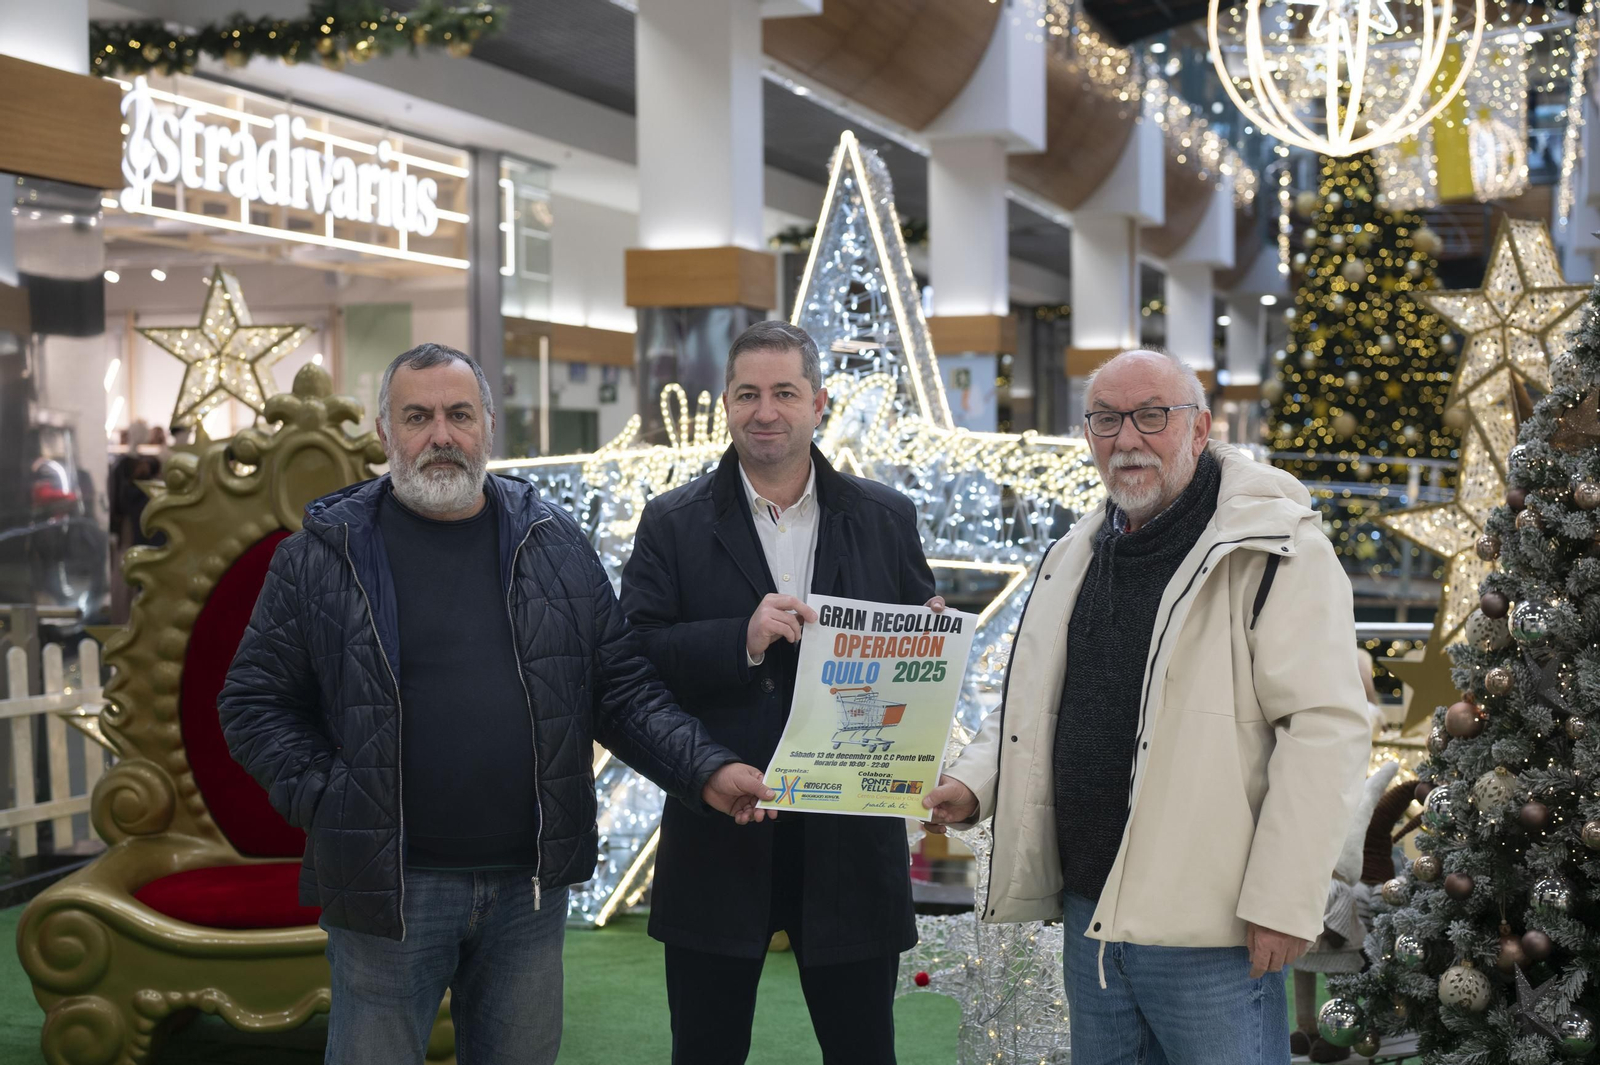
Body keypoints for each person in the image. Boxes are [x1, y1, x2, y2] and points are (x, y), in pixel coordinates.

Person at [218, 342, 774, 1065]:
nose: (440, 435)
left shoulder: (553, 544)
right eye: (417, 417)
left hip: (527, 890)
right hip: (390, 885)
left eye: (459, 414)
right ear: (384, 433)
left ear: (487, 426)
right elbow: (253, 703)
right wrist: (334, 799)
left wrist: (706, 770)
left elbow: (622, 689)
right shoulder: (323, 554)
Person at [922, 348, 1370, 1065]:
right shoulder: (1077, 552)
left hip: (1215, 930)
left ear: (1200, 428)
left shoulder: (1273, 549)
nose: (1127, 438)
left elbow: (1325, 730)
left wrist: (1284, 901)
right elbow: (1040, 703)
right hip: (1092, 915)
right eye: (1106, 419)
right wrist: (976, 783)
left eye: (1152, 416)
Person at [620, 320, 941, 1065]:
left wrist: (925, 639)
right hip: (721, 824)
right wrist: (740, 636)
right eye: (748, 394)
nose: (765, 411)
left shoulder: (886, 517)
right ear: (726, 404)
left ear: (819, 403)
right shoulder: (671, 522)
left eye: (785, 393)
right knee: (706, 1050)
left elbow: (918, 653)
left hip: (850, 840)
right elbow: (632, 661)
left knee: (864, 1051)